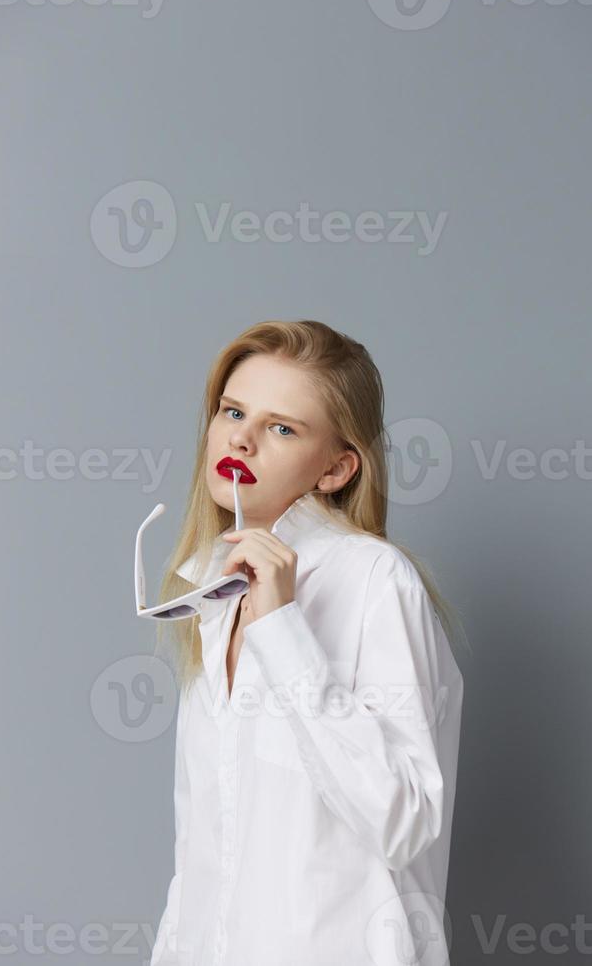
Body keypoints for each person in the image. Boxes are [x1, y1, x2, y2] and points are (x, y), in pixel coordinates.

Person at [149, 319, 466, 966]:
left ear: (336, 468)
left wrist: (282, 627)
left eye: (281, 427)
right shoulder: (209, 592)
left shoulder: (374, 581)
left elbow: (403, 820)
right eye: (233, 411)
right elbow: (201, 859)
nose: (240, 437)